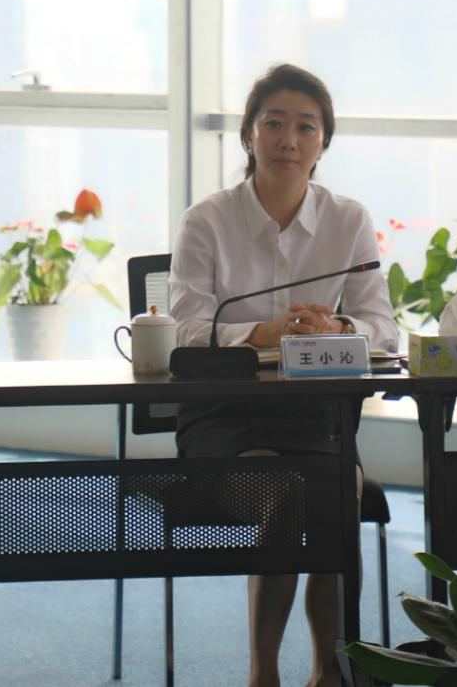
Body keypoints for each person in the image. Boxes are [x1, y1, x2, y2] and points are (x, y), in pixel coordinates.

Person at [169, 63, 397, 687]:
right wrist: (262, 335)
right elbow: (186, 330)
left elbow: (383, 328)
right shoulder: (207, 220)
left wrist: (337, 329)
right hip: (224, 416)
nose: (288, 140)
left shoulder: (348, 220)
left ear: (324, 143)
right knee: (292, 494)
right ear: (248, 134)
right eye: (274, 124)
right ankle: (263, 673)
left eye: (306, 127)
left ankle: (329, 671)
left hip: (317, 416)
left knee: (334, 491)